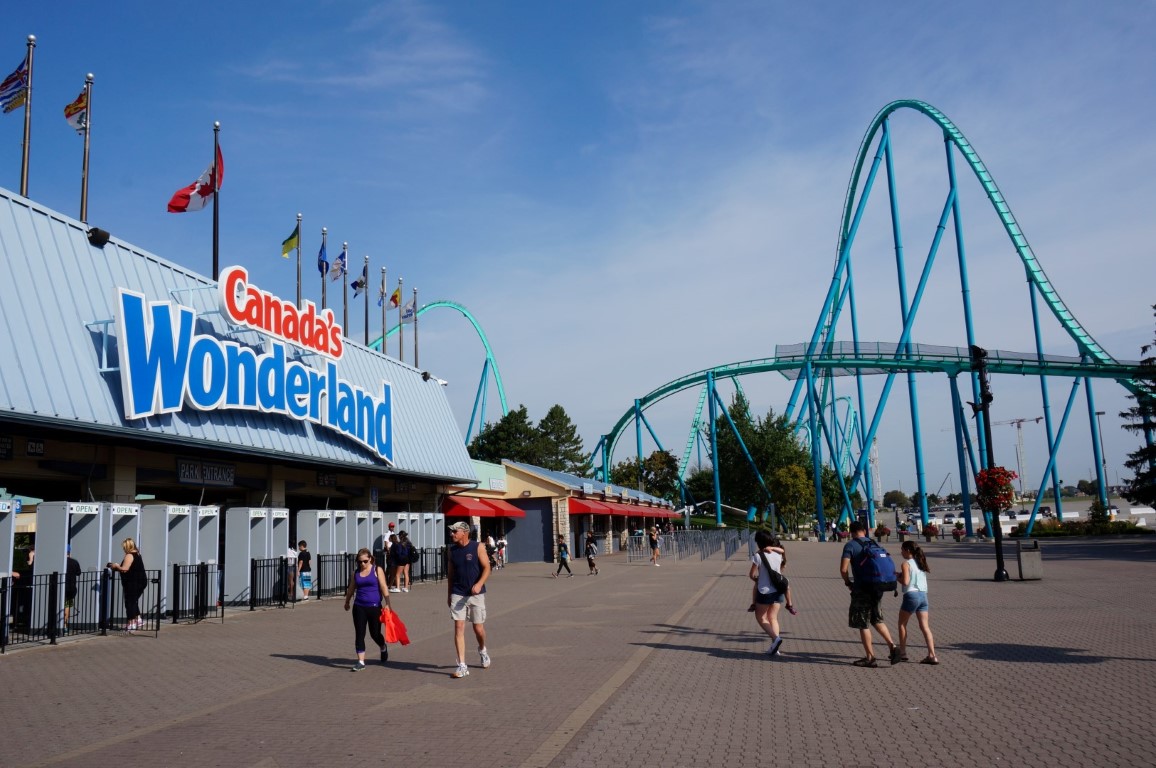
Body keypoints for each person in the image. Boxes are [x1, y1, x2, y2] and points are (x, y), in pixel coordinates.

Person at [840, 521, 899, 667]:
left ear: (851, 532)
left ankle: (870, 658)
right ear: (864, 532)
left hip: (862, 589)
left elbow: (843, 569)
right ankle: (893, 646)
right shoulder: (874, 544)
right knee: (877, 619)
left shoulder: (850, 545)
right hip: (878, 587)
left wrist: (848, 583)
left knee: (863, 623)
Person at [447, 520, 491, 678]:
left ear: (464, 532)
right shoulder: (452, 551)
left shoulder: (477, 547)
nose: (452, 534)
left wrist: (479, 584)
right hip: (458, 593)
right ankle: (462, 665)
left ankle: (482, 649)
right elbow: (450, 574)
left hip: (476, 594)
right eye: (451, 532)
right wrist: (449, 594)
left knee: (478, 628)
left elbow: (487, 567)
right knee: (459, 627)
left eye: (454, 531)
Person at [343, 548, 392, 671]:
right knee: (360, 634)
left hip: (374, 607)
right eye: (360, 562)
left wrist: (388, 603)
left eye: (365, 561)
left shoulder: (377, 570)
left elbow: (383, 586)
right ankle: (360, 661)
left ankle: (382, 646)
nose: (362, 564)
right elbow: (351, 588)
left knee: (375, 634)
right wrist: (347, 601)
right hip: (359, 607)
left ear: (370, 558)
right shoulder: (356, 573)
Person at [896, 540, 938, 665]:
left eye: (902, 549)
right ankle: (932, 655)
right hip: (923, 596)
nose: (901, 552)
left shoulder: (906, 563)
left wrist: (896, 577)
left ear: (908, 550)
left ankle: (903, 653)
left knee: (902, 624)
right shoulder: (921, 562)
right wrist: (901, 575)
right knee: (925, 626)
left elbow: (906, 582)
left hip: (911, 596)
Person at [749, 531, 786, 656]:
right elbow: (782, 551)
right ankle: (776, 648)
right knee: (773, 618)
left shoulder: (758, 556)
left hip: (764, 591)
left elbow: (752, 575)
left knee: (761, 617)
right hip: (778, 590)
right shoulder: (777, 554)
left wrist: (757, 580)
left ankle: (776, 639)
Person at [747, 539, 797, 616]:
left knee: (756, 586)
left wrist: (756, 579)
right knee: (786, 586)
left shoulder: (775, 554)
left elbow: (781, 552)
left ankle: (753, 604)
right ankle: (789, 604)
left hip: (769, 580)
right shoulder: (778, 554)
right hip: (777, 579)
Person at [107, 538, 147, 633]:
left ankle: (131, 622)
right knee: (133, 601)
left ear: (127, 546)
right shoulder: (137, 554)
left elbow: (124, 569)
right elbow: (129, 569)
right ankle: (138, 619)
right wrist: (116, 567)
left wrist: (116, 566)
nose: (123, 549)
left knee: (129, 602)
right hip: (140, 581)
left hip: (132, 583)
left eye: (124, 547)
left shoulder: (129, 555)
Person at [64, 547, 81, 634]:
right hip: (71, 588)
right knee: (67, 606)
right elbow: (78, 573)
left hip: (62, 587)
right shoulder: (74, 562)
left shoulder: (61, 562)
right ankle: (65, 626)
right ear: (69, 552)